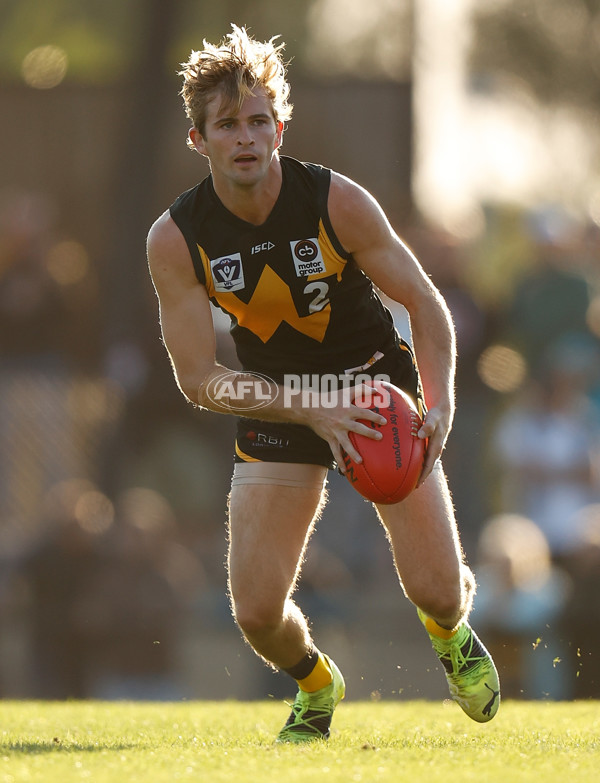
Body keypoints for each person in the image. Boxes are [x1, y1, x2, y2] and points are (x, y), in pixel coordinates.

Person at [147, 25, 500, 742]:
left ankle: (449, 631)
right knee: (254, 612)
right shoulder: (175, 238)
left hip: (372, 388)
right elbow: (199, 379)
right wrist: (311, 407)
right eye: (226, 125)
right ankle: (316, 682)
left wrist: (440, 403)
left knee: (437, 588)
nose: (245, 137)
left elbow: (427, 306)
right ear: (198, 138)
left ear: (280, 126)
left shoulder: (336, 201)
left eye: (257, 121)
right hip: (281, 400)